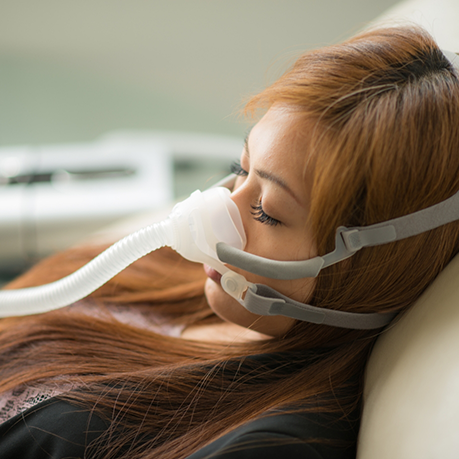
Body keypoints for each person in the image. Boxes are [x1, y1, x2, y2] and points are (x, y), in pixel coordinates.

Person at [1, 24, 459, 459]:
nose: (217, 210)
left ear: (368, 265)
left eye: (269, 212)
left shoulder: (266, 444)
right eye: (242, 169)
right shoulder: (179, 276)